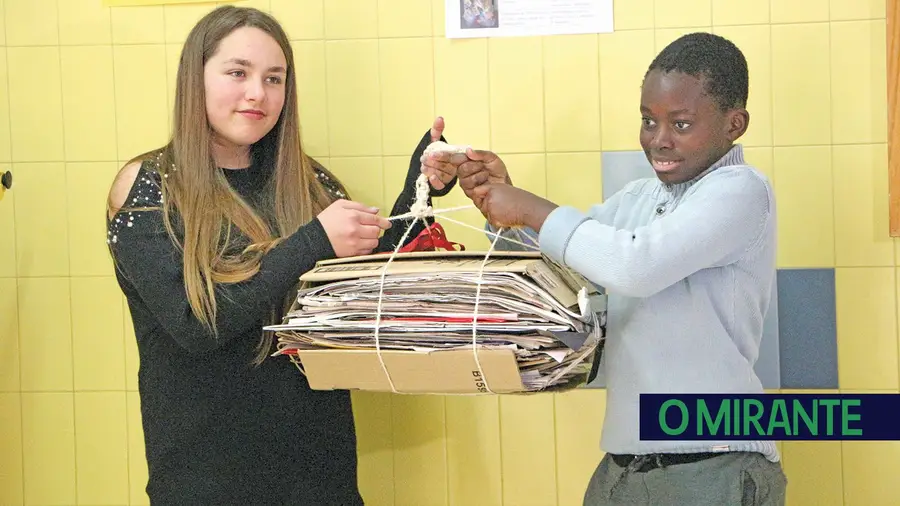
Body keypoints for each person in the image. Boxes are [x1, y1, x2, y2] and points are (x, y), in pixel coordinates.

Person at [106, 5, 455, 505]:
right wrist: (311, 240)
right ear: (194, 80)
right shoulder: (149, 190)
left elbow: (361, 295)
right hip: (206, 483)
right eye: (237, 72)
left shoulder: (308, 183)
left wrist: (419, 191)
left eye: (274, 78)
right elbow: (195, 326)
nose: (258, 93)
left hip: (321, 477)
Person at [423, 32, 787, 505]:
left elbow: (635, 265)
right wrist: (502, 204)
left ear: (734, 124)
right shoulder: (640, 199)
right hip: (625, 467)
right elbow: (562, 267)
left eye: (680, 124)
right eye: (648, 120)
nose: (659, 139)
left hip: (712, 465)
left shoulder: (741, 192)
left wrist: (530, 207)